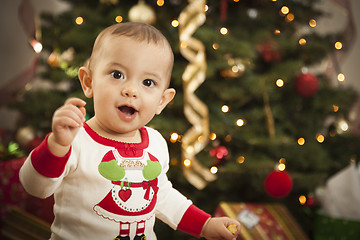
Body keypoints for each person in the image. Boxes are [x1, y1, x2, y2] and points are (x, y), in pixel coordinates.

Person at [19, 22, 240, 240]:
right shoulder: (75, 140)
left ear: (162, 101)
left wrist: (205, 224)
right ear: (89, 82)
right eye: (117, 75)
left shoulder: (155, 142)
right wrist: (56, 146)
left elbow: (161, 196)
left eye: (148, 82)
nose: (131, 90)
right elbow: (35, 187)